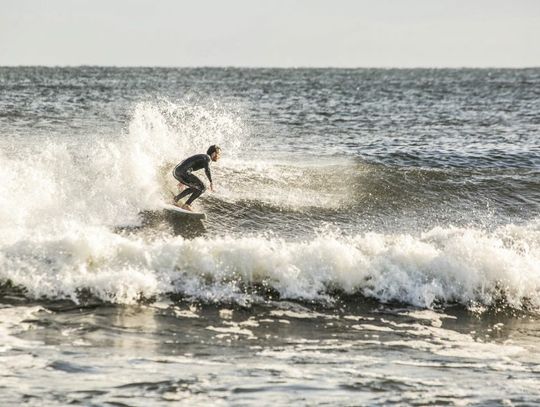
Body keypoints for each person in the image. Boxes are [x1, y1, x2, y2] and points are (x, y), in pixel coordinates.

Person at [172, 145, 221, 211]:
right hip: (183, 172)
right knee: (203, 187)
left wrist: (182, 180)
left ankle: (175, 199)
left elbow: (188, 164)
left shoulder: (202, 157)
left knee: (195, 187)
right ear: (214, 153)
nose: (219, 157)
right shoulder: (207, 158)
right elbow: (207, 170)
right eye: (219, 154)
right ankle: (187, 205)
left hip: (177, 171)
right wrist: (211, 182)